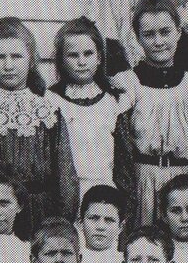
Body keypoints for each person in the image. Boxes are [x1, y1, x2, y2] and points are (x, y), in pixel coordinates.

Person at [0, 18, 79, 239]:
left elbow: (65, 177)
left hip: (41, 216)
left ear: (31, 61)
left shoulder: (48, 114)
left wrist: (60, 227)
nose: (8, 65)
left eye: (16, 56)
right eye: (0, 57)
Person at [113, 0, 188, 228]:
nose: (158, 41)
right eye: (149, 34)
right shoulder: (127, 84)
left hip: (184, 178)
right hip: (142, 178)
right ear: (137, 38)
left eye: (165, 32)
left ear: (178, 32)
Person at [48, 17, 136, 213]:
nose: (81, 62)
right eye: (73, 55)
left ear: (99, 57)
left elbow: (124, 158)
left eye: (88, 54)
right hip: (65, 193)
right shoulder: (52, 100)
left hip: (105, 192)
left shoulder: (114, 100)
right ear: (62, 60)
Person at [70, 184, 131, 263]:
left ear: (120, 227)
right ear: (80, 222)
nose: (100, 227)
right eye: (93, 218)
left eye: (109, 220)